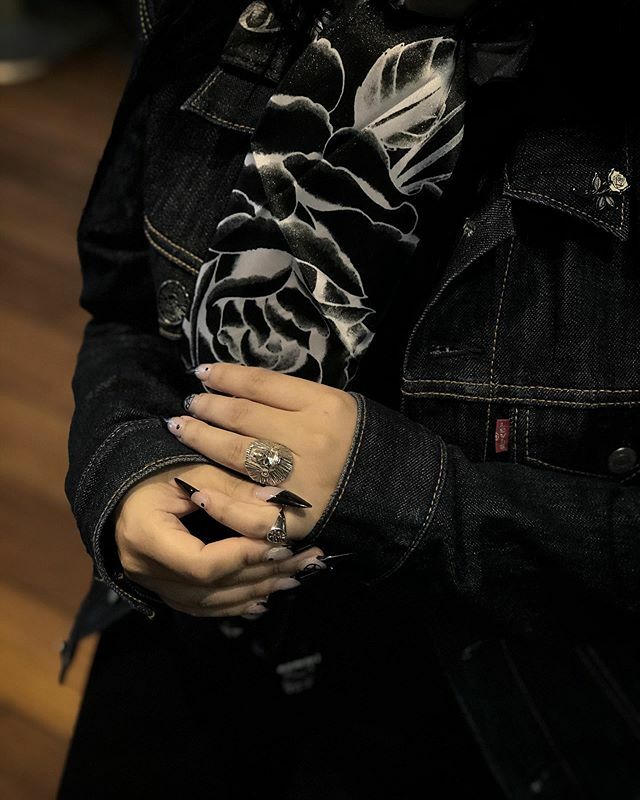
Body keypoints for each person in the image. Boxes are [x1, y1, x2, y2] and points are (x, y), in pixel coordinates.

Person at [57, 0, 640, 797]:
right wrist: (126, 468)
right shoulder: (231, 15)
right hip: (199, 638)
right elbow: (126, 308)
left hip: (507, 710)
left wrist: (401, 497)